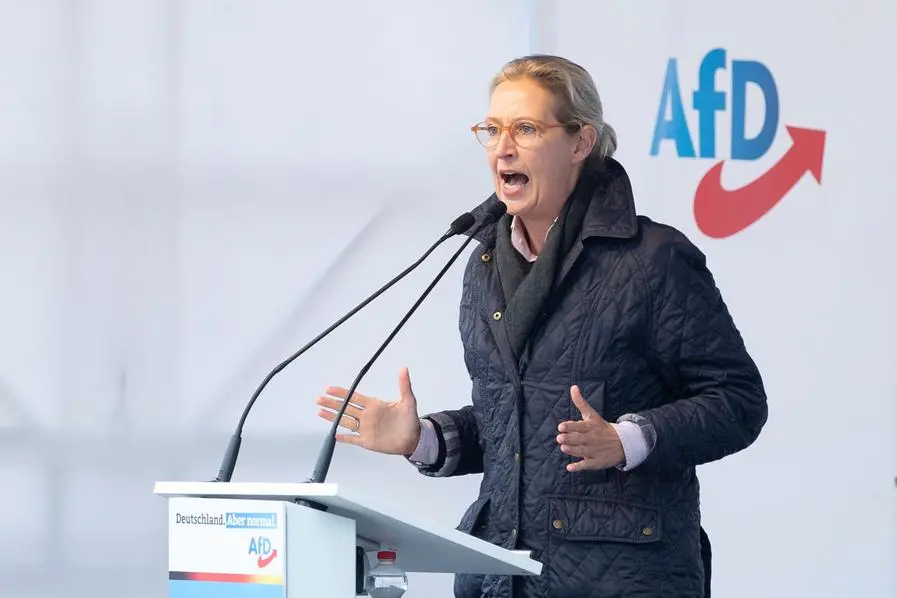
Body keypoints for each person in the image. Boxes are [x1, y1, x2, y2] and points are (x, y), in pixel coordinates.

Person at [315, 54, 768, 598]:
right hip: (501, 574)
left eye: (526, 129)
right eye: (492, 130)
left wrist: (627, 439)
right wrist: (424, 440)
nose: (503, 148)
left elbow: (738, 401)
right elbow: (514, 425)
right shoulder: (484, 266)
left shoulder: (651, 260)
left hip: (622, 579)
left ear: (580, 142)